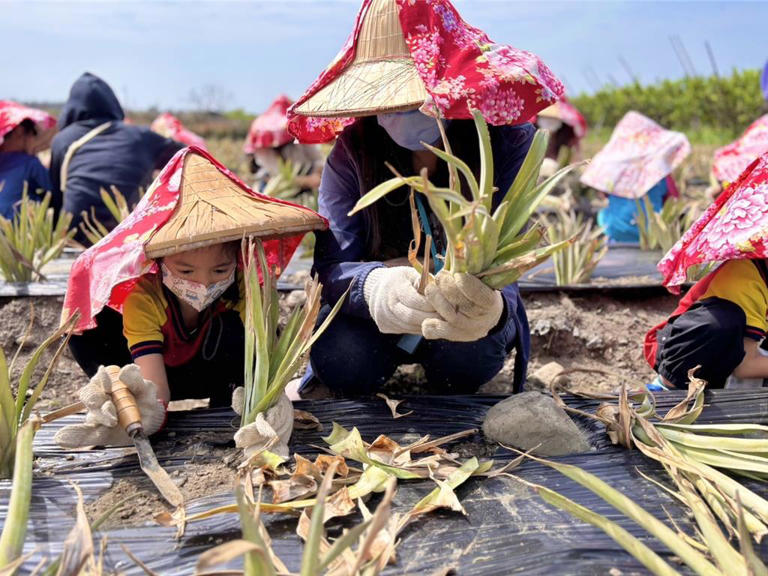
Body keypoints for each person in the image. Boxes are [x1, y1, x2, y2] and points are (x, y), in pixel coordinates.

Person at [287, 0, 565, 396]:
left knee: (468, 362)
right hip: (375, 317)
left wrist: (492, 305)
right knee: (342, 361)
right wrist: (377, 287)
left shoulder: (503, 142)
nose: (401, 111)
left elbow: (508, 248)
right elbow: (331, 264)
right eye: (389, 101)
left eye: (416, 97)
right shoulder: (353, 152)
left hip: (464, 309)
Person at [55, 146, 325, 450]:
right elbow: (156, 388)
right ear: (158, 262)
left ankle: (227, 412)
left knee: (249, 333)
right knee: (91, 338)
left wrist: (271, 401)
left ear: (239, 261)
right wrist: (147, 414)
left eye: (220, 269)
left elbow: (263, 356)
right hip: (161, 371)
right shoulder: (145, 297)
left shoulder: (244, 288)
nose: (203, 282)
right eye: (185, 270)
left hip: (213, 371)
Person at [645, 151, 768, 389]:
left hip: (741, 350)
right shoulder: (744, 278)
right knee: (722, 322)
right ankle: (666, 385)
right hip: (693, 350)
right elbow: (745, 366)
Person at [50, 72, 184, 243]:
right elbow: (186, 156)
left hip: (77, 235)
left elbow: (56, 196)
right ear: (112, 104)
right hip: (130, 231)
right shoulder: (141, 136)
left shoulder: (63, 140)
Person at [581, 111, 690, 244]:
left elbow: (604, 194)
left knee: (604, 215)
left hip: (615, 229)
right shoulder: (660, 172)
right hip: (652, 234)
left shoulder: (612, 167)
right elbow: (674, 200)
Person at [244, 94, 324, 193]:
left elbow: (317, 159)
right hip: (276, 189)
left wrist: (316, 173)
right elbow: (278, 177)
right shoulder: (263, 148)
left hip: (306, 183)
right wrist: (308, 181)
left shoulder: (299, 137)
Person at [0, 101, 57, 219]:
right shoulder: (29, 163)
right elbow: (53, 187)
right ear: (20, 132)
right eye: (33, 134)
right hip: (18, 226)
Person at [535, 98, 587, 178]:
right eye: (546, 119)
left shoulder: (562, 137)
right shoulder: (532, 134)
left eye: (553, 120)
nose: (549, 123)